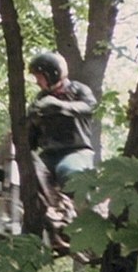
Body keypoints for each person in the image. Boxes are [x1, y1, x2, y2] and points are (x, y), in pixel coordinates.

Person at [26, 51, 97, 191]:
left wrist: (61, 107)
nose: (37, 82)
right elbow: (31, 138)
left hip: (77, 152)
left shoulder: (78, 90)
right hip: (48, 155)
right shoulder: (40, 100)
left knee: (68, 171)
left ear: (52, 74)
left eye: (39, 77)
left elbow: (91, 108)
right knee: (27, 176)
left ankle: (84, 203)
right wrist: (30, 122)